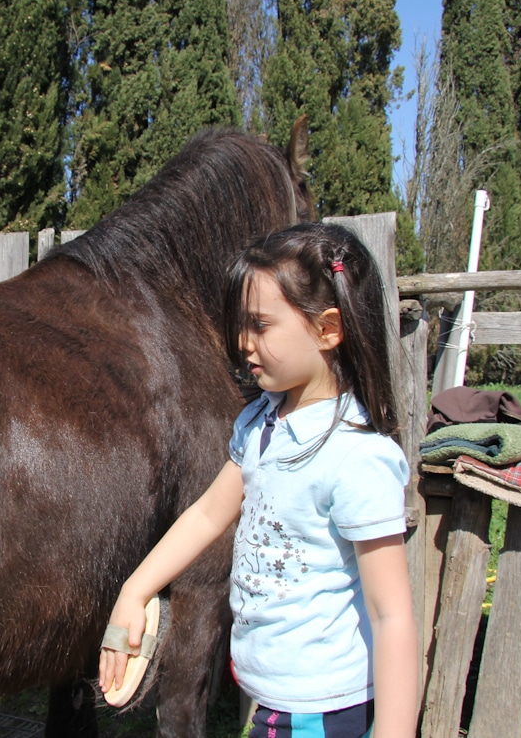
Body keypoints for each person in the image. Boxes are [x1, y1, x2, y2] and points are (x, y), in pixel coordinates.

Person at [98, 223, 418, 738]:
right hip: (270, 696)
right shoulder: (261, 424)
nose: (243, 343)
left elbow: (392, 616)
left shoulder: (357, 458)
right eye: (240, 325)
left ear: (328, 330)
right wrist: (134, 591)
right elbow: (206, 514)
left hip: (320, 710)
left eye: (260, 325)